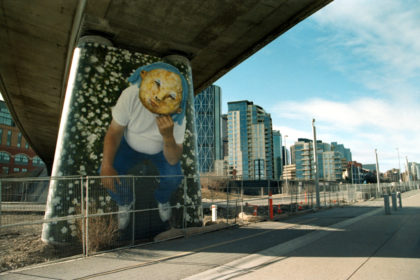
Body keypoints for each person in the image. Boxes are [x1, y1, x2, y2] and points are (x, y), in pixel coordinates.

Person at [100, 62, 188, 229]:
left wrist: (168, 137)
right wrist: (106, 165)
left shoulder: (178, 118)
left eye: (170, 96)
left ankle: (162, 199)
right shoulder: (131, 95)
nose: (159, 98)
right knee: (106, 172)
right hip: (129, 146)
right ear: (144, 78)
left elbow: (173, 159)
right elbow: (114, 132)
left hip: (160, 150)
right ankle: (125, 201)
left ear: (177, 106)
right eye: (156, 85)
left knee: (174, 177)